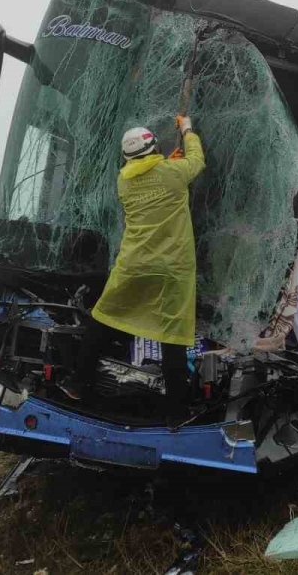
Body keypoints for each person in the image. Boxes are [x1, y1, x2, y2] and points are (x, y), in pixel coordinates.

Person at [67, 116, 205, 429]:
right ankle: (176, 413)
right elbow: (196, 159)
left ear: (127, 158)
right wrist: (186, 129)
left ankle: (77, 382)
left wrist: (165, 164)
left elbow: (150, 176)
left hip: (133, 265)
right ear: (154, 147)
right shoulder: (175, 173)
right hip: (172, 269)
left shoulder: (124, 181)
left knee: (102, 317)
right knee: (173, 336)